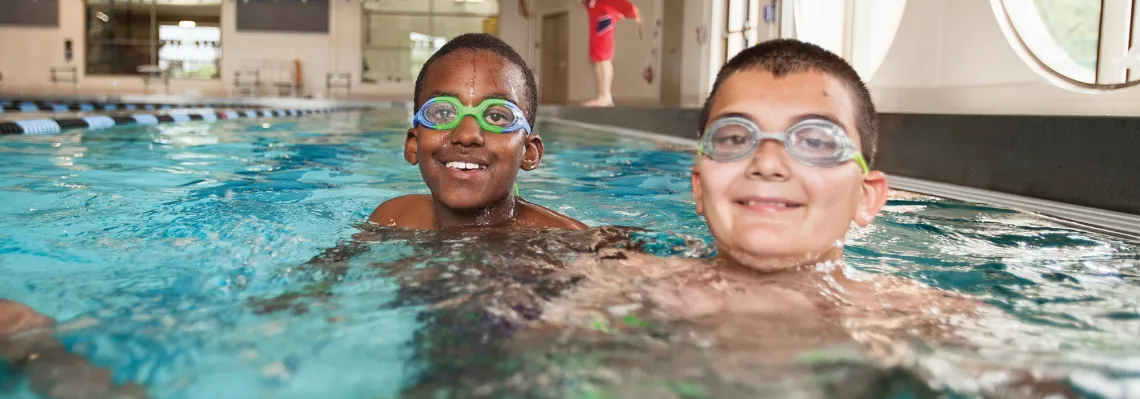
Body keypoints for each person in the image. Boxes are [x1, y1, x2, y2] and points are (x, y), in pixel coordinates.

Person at [369, 33, 587, 231]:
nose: (466, 135)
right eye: (443, 113)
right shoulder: (393, 220)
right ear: (413, 144)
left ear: (529, 152)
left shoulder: (575, 247)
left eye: (496, 117)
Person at [579, 0, 641, 107]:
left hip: (603, 18)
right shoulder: (592, 3)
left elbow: (622, 6)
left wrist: (632, 13)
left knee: (602, 58)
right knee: (597, 58)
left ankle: (604, 96)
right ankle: (603, 95)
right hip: (597, 19)